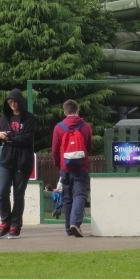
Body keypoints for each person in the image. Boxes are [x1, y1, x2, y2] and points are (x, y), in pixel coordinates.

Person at [0, 88, 36, 239]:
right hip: (6, 160)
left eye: (15, 101)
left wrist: (9, 138)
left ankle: (15, 225)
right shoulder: (5, 118)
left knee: (18, 195)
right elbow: (0, 138)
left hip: (23, 162)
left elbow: (26, 139)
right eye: (10, 102)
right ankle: (5, 221)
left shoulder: (30, 118)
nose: (12, 104)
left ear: (20, 102)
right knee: (2, 192)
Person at [51, 99, 93, 237]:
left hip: (65, 167)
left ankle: (69, 227)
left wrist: (59, 164)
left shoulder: (58, 127)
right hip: (81, 166)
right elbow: (88, 147)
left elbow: (55, 149)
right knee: (79, 194)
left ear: (65, 112)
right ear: (77, 110)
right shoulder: (86, 127)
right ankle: (75, 223)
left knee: (67, 197)